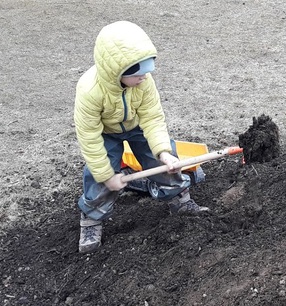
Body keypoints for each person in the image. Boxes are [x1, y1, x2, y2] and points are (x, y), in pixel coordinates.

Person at [74, 21, 207, 254]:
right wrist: (107, 176)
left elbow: (153, 118)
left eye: (147, 72)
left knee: (165, 162)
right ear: (118, 72)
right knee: (98, 175)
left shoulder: (144, 82)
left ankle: (179, 199)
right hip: (105, 132)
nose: (144, 78)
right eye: (138, 74)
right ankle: (92, 219)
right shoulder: (90, 90)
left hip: (137, 126)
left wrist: (163, 152)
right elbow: (89, 138)